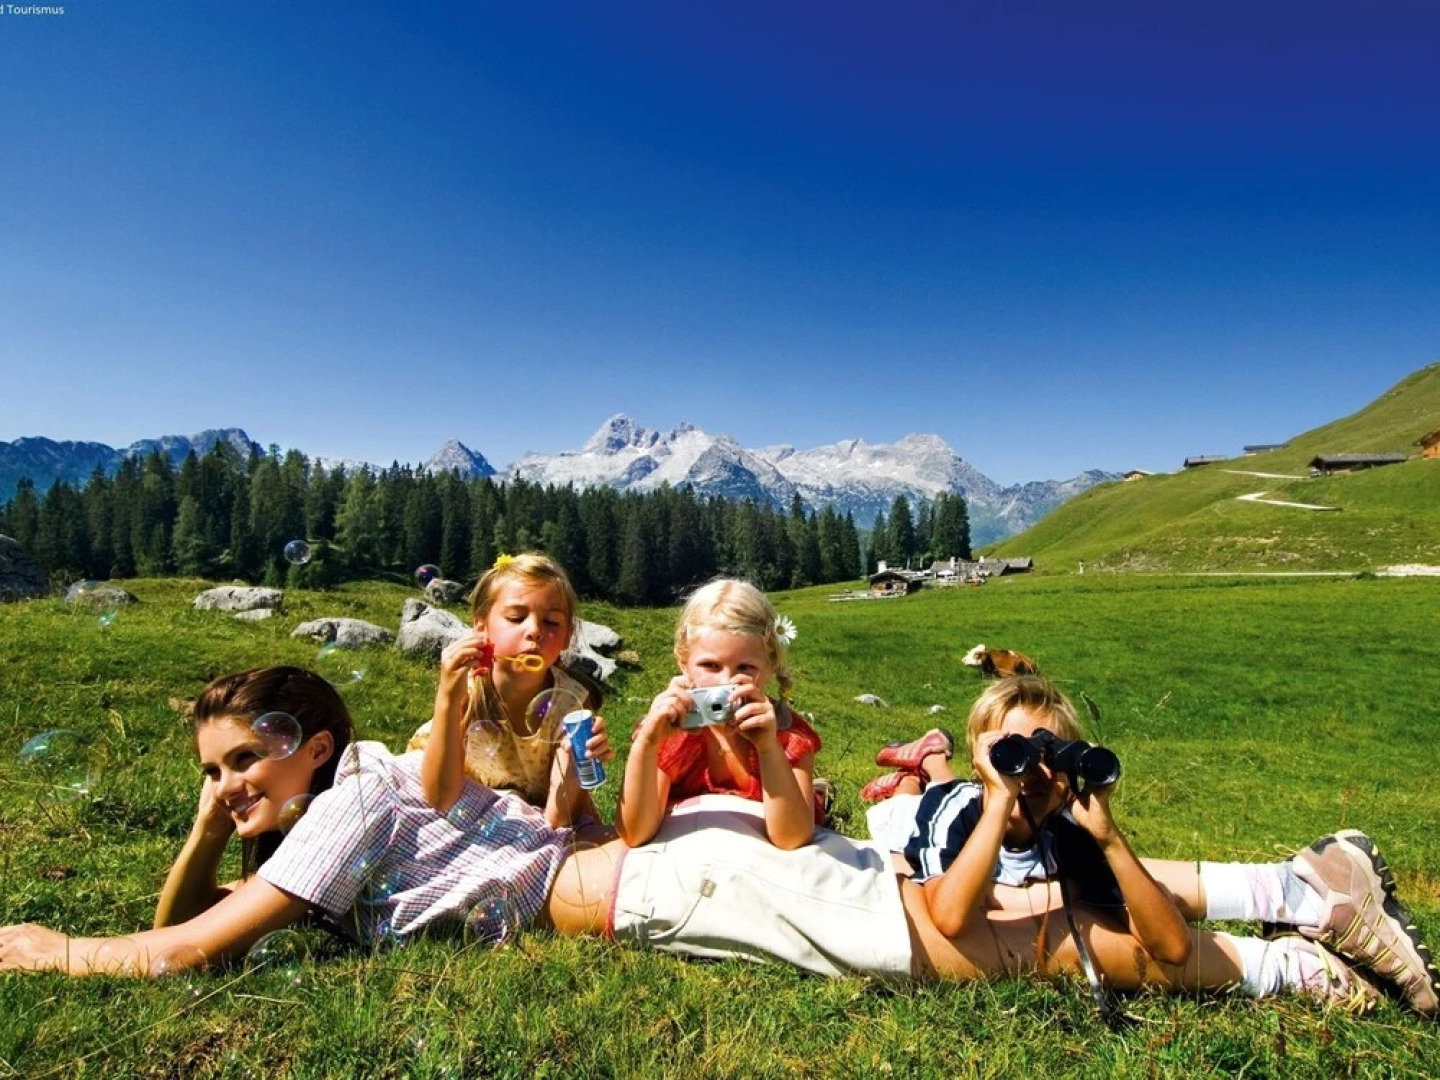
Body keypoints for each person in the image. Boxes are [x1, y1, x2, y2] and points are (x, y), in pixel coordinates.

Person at [864, 676, 1440, 1014]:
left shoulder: (1068, 831)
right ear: (984, 759)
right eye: (1011, 749)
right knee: (917, 792)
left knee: (1048, 898)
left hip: (1014, 868)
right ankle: (919, 762)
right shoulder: (957, 809)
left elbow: (1171, 949)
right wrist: (995, 799)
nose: (1031, 769)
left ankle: (1310, 910)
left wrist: (1108, 838)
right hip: (906, 828)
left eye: (1046, 752)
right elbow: (948, 917)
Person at [409, 552, 614, 830]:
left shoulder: (570, 704)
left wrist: (575, 769)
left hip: (533, 818)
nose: (534, 631)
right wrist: (447, 696)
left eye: (551, 622)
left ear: (567, 637)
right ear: (482, 627)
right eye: (517, 617)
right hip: (458, 802)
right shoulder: (466, 690)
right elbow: (440, 797)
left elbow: (559, 820)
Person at [617, 579, 820, 850]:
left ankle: (817, 793)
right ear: (684, 664)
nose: (727, 682)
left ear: (771, 666)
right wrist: (647, 743)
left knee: (808, 804)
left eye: (745, 667)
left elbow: (792, 839)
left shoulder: (786, 735)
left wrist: (769, 748)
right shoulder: (677, 734)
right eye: (710, 665)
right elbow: (635, 834)